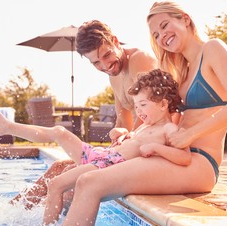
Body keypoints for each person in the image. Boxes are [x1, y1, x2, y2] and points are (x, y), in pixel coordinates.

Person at [56, 1, 227, 226]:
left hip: (199, 163)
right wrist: (130, 134)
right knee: (79, 179)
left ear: (184, 18)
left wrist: (189, 135)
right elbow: (161, 118)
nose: (162, 36)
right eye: (156, 34)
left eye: (165, 26)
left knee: (90, 183)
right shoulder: (181, 69)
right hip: (172, 155)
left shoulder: (212, 49)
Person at [0, 69, 189, 226]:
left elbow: (184, 158)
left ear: (163, 104)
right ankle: (7, 127)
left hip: (108, 165)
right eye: (136, 106)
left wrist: (157, 148)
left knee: (56, 184)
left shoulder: (169, 128)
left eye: (143, 105)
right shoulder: (147, 126)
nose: (139, 111)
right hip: (101, 156)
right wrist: (126, 134)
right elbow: (136, 142)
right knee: (59, 132)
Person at [10, 20, 158, 208]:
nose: (105, 66)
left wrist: (115, 152)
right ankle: (10, 214)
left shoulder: (139, 60)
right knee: (59, 168)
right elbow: (123, 120)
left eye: (107, 55)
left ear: (115, 41)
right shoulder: (114, 75)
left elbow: (151, 115)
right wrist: (115, 142)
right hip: (133, 146)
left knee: (72, 183)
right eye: (96, 62)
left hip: (150, 148)